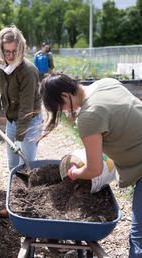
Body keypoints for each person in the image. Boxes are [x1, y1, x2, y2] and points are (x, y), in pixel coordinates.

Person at [38, 72, 142, 258]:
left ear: (64, 95)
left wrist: (74, 173)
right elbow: (124, 120)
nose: (66, 112)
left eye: (61, 107)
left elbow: (95, 170)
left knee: (139, 238)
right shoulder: (106, 83)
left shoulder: (88, 115)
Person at [0, 25, 43, 172]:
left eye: (14, 51)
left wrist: (19, 138)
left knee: (27, 164)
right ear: (0, 50)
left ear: (21, 49)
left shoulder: (28, 71)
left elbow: (26, 108)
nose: (10, 56)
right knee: (13, 165)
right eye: (6, 52)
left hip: (30, 120)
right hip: (12, 120)